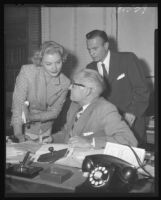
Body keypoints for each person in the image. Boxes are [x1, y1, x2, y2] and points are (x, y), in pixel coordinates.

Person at [85, 30, 150, 147]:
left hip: (132, 123)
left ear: (106, 45)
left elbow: (142, 89)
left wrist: (132, 112)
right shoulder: (90, 68)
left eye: (95, 48)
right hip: (105, 126)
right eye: (89, 50)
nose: (92, 53)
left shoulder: (128, 59)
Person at [43, 69, 138, 148]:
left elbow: (129, 140)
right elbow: (68, 133)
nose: (69, 87)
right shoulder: (74, 106)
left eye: (74, 84)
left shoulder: (105, 109)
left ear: (87, 91)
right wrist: (52, 139)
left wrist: (90, 143)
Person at [11, 41, 71, 143]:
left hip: (47, 127)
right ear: (40, 61)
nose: (54, 68)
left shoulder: (65, 82)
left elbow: (55, 112)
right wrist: (18, 134)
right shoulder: (27, 72)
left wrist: (31, 117)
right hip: (25, 127)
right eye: (49, 64)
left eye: (58, 62)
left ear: (62, 60)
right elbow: (18, 105)